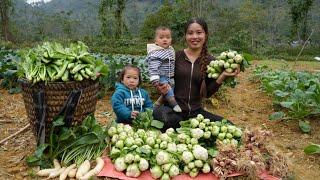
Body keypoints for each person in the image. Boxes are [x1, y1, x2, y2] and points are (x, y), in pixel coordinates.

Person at [153, 18, 240, 130]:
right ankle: (191, 128)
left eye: (199, 32)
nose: (194, 37)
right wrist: (161, 87)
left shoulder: (212, 62)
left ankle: (189, 128)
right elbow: (161, 78)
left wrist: (222, 76)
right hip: (173, 110)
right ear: (185, 36)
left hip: (196, 113)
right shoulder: (174, 57)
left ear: (206, 35)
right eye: (190, 33)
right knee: (167, 119)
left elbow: (207, 94)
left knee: (229, 126)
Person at [146, 26, 182, 113]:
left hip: (170, 76)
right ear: (156, 40)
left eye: (168, 37)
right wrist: (155, 81)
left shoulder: (169, 50)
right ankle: (174, 104)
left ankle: (155, 106)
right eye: (161, 37)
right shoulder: (156, 53)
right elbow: (153, 68)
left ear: (171, 39)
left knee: (168, 92)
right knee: (168, 90)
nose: (165, 40)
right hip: (161, 76)